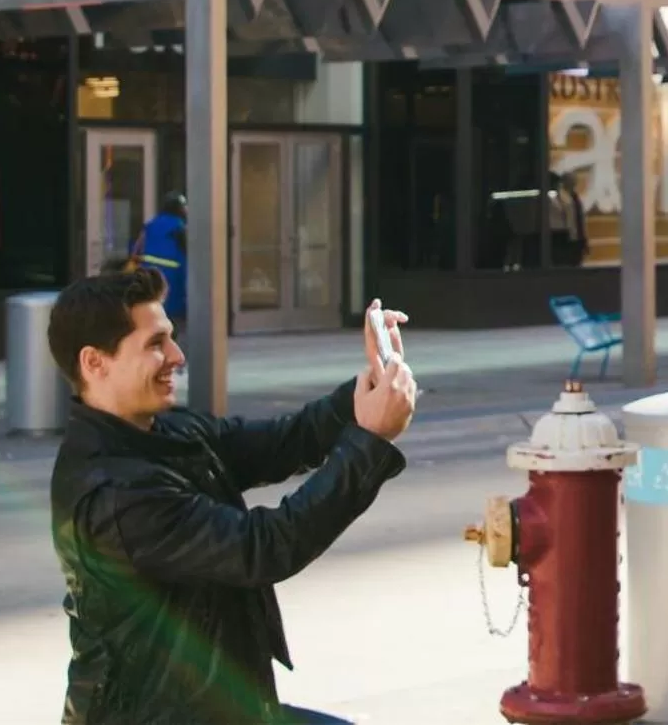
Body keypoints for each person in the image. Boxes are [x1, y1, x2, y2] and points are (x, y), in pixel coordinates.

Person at [47, 269, 416, 725]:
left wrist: (371, 387)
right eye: (155, 343)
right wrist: (369, 442)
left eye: (172, 338)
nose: (177, 356)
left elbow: (286, 441)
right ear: (94, 362)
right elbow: (262, 547)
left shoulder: (168, 430)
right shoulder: (115, 494)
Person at [131, 192, 189, 327]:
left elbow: (137, 249)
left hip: (149, 272)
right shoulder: (178, 227)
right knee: (173, 311)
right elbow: (187, 250)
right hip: (174, 275)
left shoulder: (151, 224)